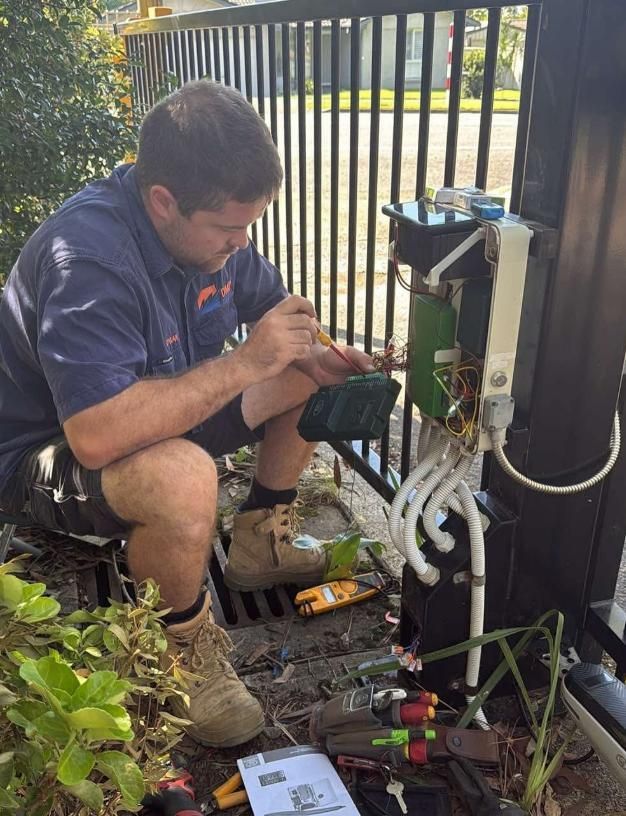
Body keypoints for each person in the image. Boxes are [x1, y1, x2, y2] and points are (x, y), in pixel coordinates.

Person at [0, 80, 373, 747]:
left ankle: (261, 540)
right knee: (181, 476)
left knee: (296, 363)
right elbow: (95, 436)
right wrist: (241, 365)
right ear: (163, 202)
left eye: (250, 225)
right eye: (231, 229)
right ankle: (180, 650)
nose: (242, 241)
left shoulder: (209, 236)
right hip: (46, 453)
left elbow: (268, 306)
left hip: (154, 412)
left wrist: (313, 353)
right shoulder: (87, 259)